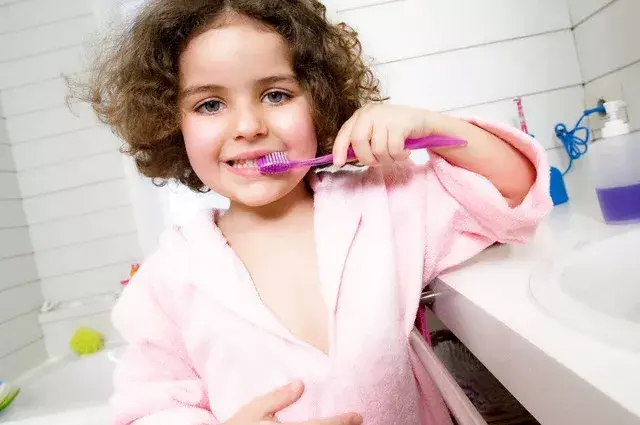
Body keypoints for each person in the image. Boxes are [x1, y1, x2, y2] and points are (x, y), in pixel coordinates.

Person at [78, 0, 552, 424]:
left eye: (276, 95)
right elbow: (150, 411)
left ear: (319, 100)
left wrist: (433, 125)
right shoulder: (167, 282)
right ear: (169, 124)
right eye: (210, 104)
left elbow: (514, 192)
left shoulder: (385, 203)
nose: (248, 126)